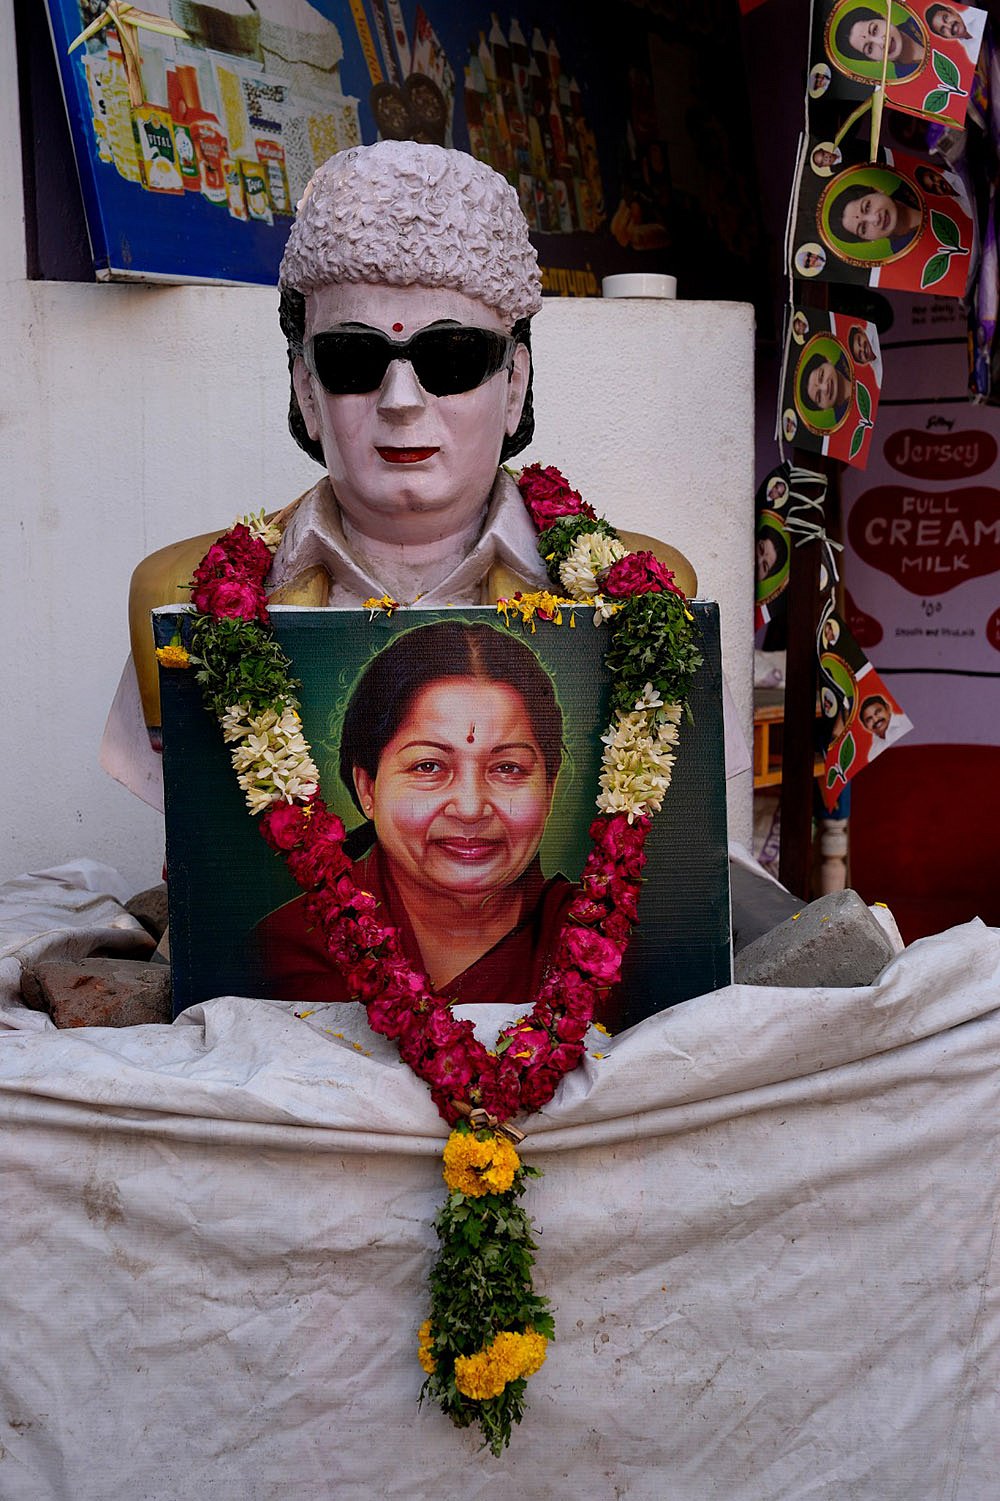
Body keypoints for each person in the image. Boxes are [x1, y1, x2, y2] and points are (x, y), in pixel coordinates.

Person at [110, 141, 698, 801]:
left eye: (450, 356)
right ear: (307, 390)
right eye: (354, 359)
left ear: (513, 386)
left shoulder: (650, 598)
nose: (400, 401)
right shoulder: (175, 601)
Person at [256, 621, 581, 1007]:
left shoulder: (602, 946)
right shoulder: (291, 950)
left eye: (508, 768)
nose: (470, 808)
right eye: (428, 766)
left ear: (549, 788)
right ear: (368, 789)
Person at [829, 179, 922, 255]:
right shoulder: (905, 256)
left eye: (867, 207)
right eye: (864, 228)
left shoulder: (916, 180)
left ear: (877, 190)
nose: (876, 219)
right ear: (867, 241)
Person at [835, 6, 926, 78]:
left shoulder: (923, 19)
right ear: (873, 60)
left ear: (884, 17)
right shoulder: (906, 82)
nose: (881, 43)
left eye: (874, 30)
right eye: (870, 48)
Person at [799, 348, 854, 422]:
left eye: (821, 376)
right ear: (822, 409)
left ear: (827, 360)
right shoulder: (843, 423)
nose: (825, 388)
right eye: (819, 396)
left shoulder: (850, 353)